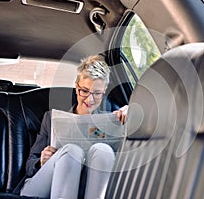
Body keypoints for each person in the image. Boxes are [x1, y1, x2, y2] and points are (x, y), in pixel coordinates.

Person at [20, 55, 128, 199]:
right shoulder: (51, 119)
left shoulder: (114, 120)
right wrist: (41, 161)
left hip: (86, 189)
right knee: (72, 151)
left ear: (104, 91)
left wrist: (131, 115)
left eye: (97, 93)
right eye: (84, 91)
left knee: (103, 150)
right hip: (43, 186)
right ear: (77, 86)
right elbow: (29, 166)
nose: (90, 99)